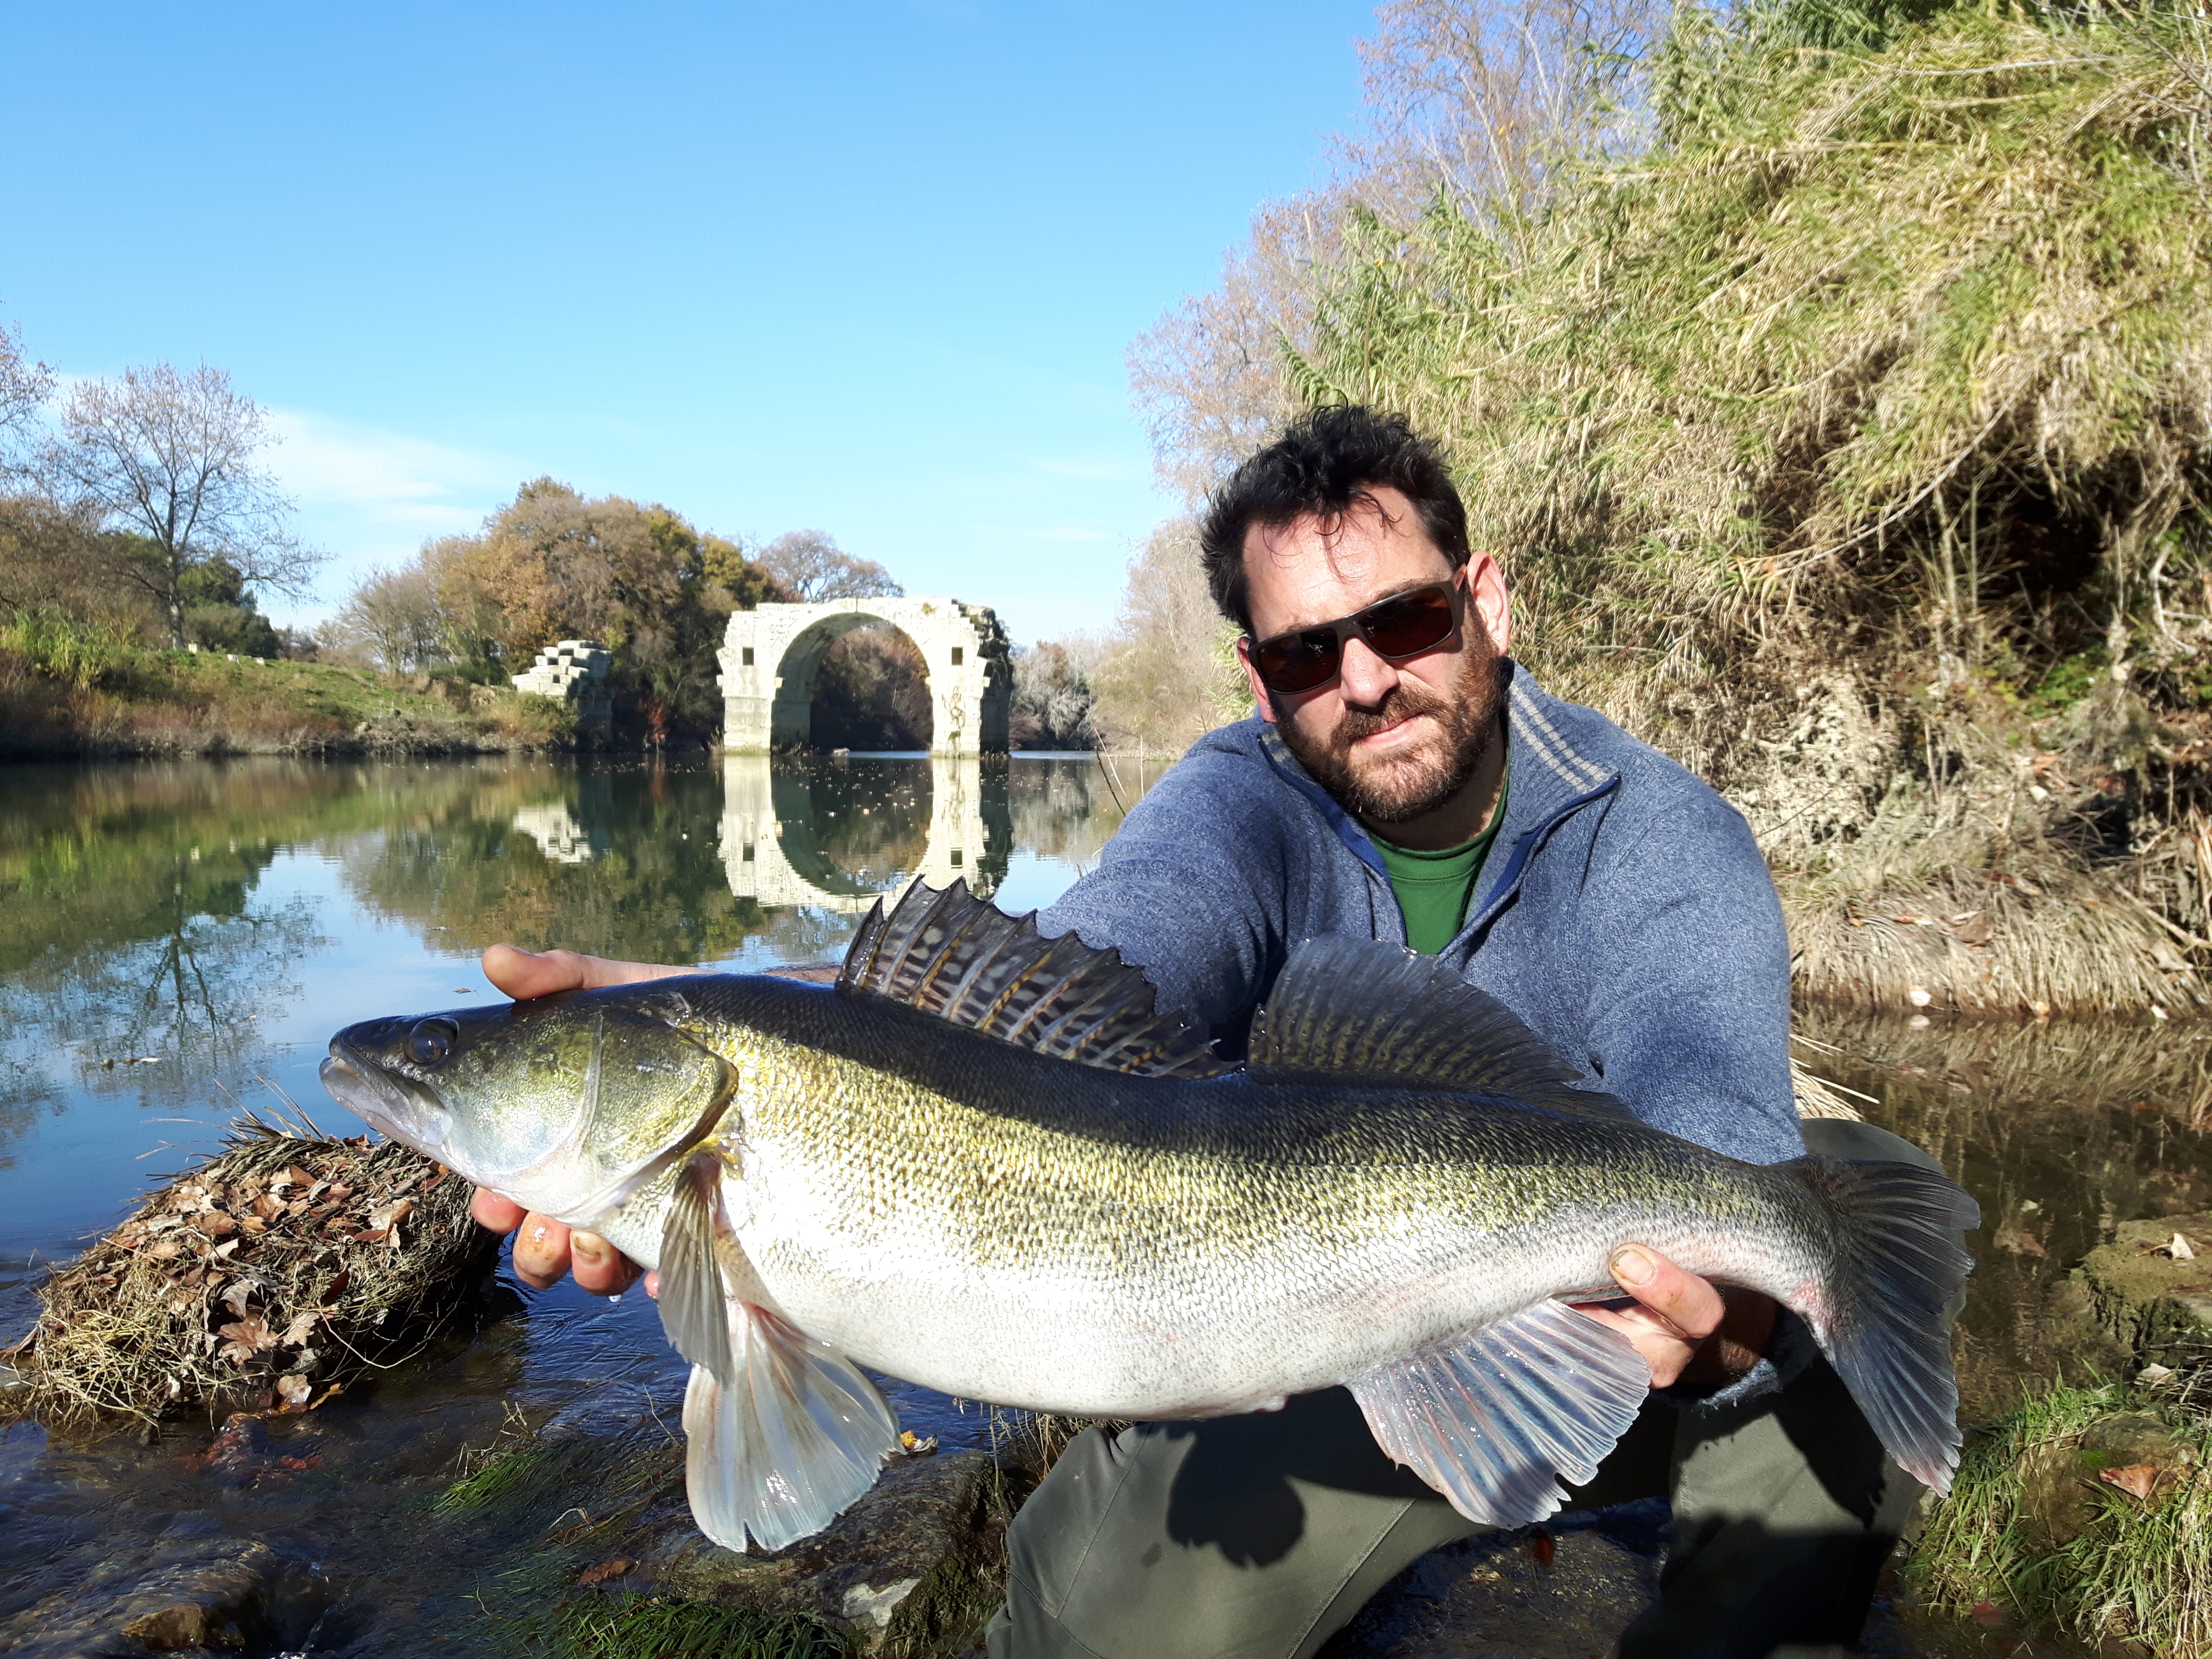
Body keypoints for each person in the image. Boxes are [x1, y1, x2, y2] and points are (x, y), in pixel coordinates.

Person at [469, 407, 1942, 1658]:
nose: (1366, 679)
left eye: (1408, 621)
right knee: (1089, 1610)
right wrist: (785, 1017)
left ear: (1488, 601)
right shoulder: (1236, 800)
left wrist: (1734, 1315)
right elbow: (1105, 970)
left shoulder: (1665, 840)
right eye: (1307, 654)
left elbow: (1714, 1116)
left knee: (1812, 1266)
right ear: (1257, 677)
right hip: (1329, 1314)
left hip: (1616, 1302)